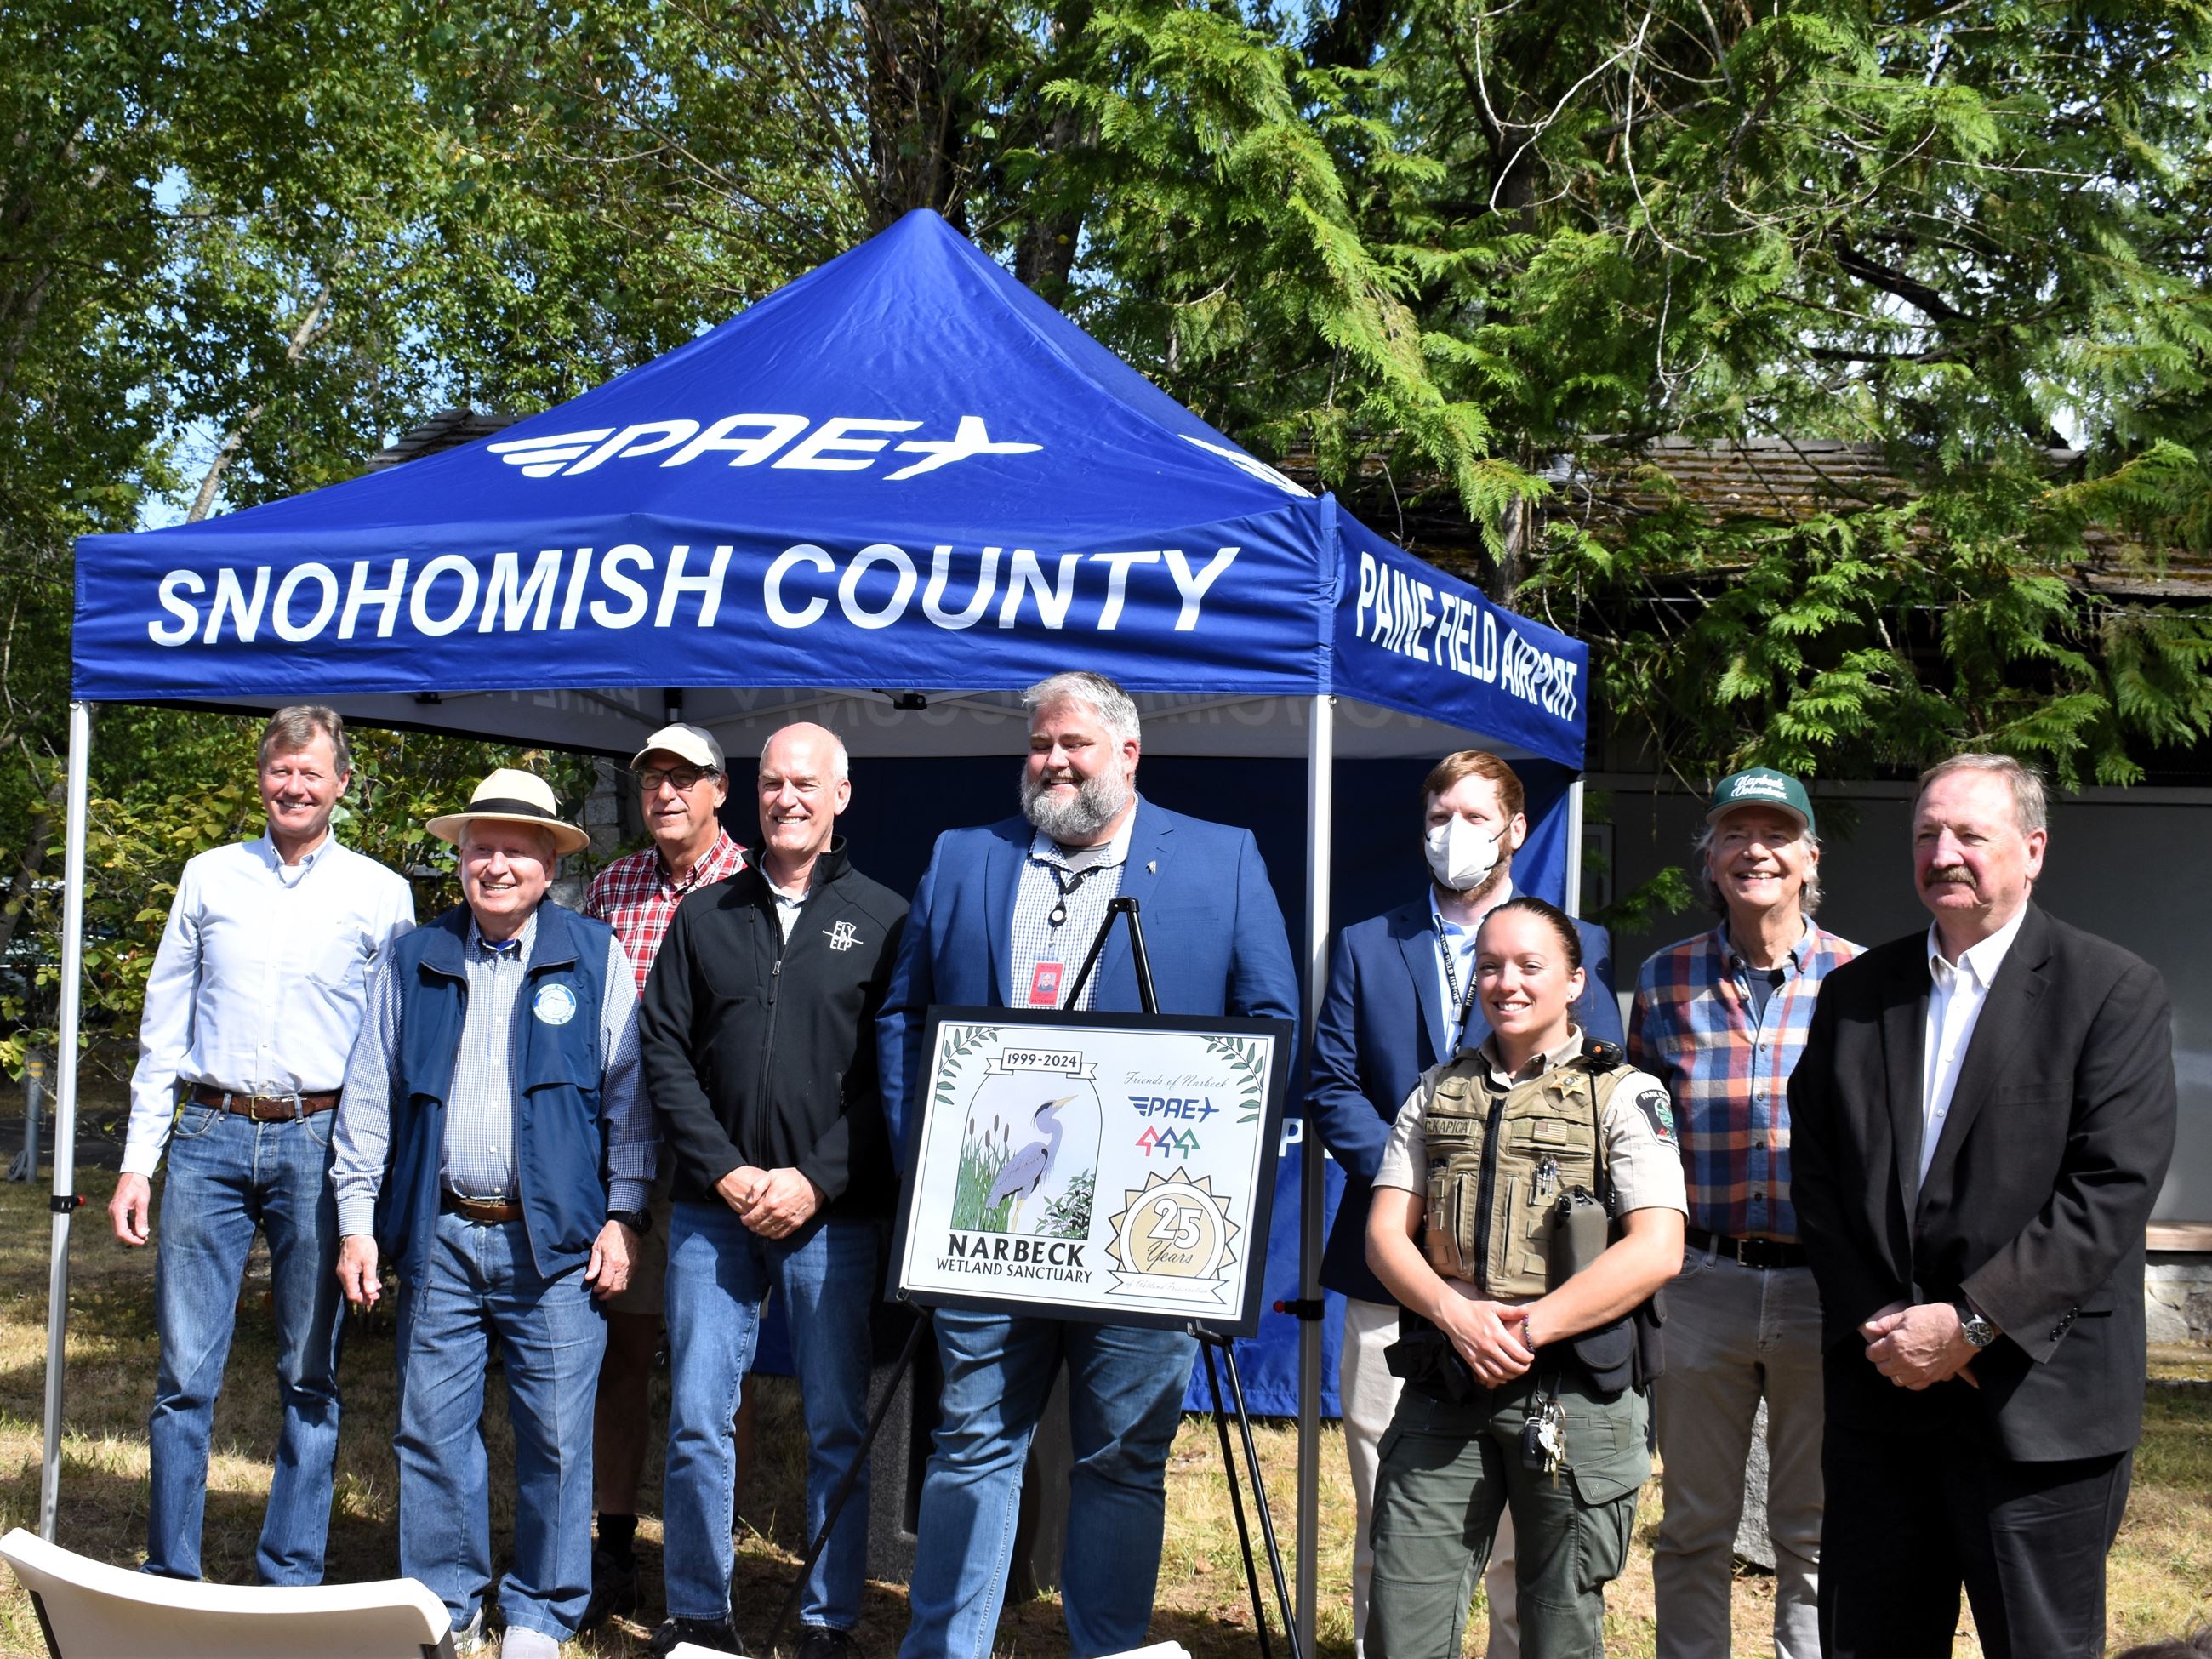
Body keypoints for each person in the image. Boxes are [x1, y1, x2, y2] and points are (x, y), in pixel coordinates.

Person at [879, 670, 1300, 1659]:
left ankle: (1106, 1648)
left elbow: (1269, 1028)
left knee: (1121, 1454)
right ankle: (945, 1649)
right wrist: (930, 1156)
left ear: (1127, 752)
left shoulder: (1220, 861)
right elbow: (904, 1016)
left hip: (1138, 1233)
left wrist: (1206, 1175)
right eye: (1038, 745)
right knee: (971, 1442)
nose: (1053, 761)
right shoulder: (962, 858)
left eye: (1072, 743)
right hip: (993, 1218)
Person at [1791, 753, 2176, 1657]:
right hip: (1881, 1393)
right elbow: (1817, 1177)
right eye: (1925, 834)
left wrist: (1967, 1325)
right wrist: (1878, 1319)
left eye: (1969, 832)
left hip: (2035, 1409)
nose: (1942, 852)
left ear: (2032, 849)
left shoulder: (2109, 992)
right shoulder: (1854, 995)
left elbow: (2108, 1189)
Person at [331, 769, 653, 1659]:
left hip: (555, 1242)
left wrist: (624, 1214)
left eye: (518, 848)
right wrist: (357, 1222)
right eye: (481, 847)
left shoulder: (594, 956)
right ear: (459, 858)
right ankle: (446, 1601)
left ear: (551, 864)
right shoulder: (414, 957)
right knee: (431, 1431)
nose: (497, 864)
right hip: (439, 1235)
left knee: (554, 1434)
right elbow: (368, 1097)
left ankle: (544, 1612)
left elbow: (629, 1102)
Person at [1307, 750, 1622, 1659]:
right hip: (1395, 1272)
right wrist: (1423, 1182)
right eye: (1440, 813)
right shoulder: (1368, 943)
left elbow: (1590, 1094)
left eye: (1476, 815)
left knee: (1527, 1522)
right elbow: (1330, 1084)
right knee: (1390, 1500)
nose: (1455, 833)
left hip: (1532, 1286)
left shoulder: (1575, 948)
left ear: (1516, 829)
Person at [107, 706, 413, 1586]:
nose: (294, 786)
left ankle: (290, 1575)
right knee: (182, 1376)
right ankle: (171, 1571)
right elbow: (163, 1024)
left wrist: (370, 1181)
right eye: (281, 771)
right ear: (261, 778)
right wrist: (139, 1159)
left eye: (312, 773)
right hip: (204, 1138)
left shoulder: (380, 894)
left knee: (308, 1374)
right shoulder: (209, 878)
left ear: (341, 785)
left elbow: (385, 1050)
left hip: (318, 1143)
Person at [640, 722, 908, 1659]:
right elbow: (663, 1053)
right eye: (771, 784)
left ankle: (828, 1619)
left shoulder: (885, 919)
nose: (786, 798)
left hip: (830, 1218)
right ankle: (698, 1614)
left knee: (837, 1420)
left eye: (805, 783)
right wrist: (727, 1168)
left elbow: (898, 1078)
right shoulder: (704, 916)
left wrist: (814, 1179)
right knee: (697, 1419)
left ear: (841, 795)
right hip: (714, 1213)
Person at [1364, 897, 1685, 1659]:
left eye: (1530, 966)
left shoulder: (1624, 1094)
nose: (1506, 983)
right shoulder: (1437, 1092)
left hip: (1574, 1397)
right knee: (1402, 1623)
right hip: (1449, 1381)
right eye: (1489, 966)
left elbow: (1657, 1246)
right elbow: (1384, 1234)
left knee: (1559, 1628)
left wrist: (1528, 1327)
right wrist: (1456, 1314)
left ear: (1574, 981)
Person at [1631, 767, 1861, 1659]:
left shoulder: (1862, 977)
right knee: (1693, 1521)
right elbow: (1638, 1137)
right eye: (1733, 835)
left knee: (1811, 1522)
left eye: (1774, 836)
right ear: (1711, 858)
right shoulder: (1663, 981)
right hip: (1700, 1281)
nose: (1753, 852)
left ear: (1808, 856)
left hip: (1821, 1287)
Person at [581, 721, 749, 1628]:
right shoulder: (612, 885)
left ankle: (710, 1549)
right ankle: (613, 1552)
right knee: (623, 1353)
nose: (665, 794)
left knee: (719, 1375)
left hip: (722, 1152)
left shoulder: (754, 884)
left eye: (684, 778)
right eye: (652, 779)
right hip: (634, 1149)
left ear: (720, 790)